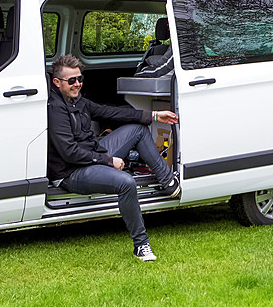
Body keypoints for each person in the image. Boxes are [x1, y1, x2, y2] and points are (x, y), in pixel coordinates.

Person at [47, 54, 180, 261]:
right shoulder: (55, 109)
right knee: (126, 183)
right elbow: (70, 153)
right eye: (71, 81)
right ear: (57, 82)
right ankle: (141, 245)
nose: (77, 85)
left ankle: (168, 181)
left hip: (93, 154)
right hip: (71, 172)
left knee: (137, 129)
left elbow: (110, 112)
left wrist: (154, 115)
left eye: (80, 79)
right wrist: (109, 161)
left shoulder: (77, 101)